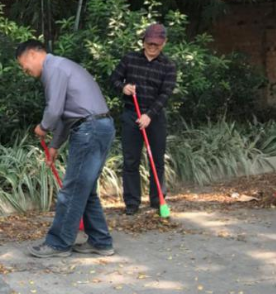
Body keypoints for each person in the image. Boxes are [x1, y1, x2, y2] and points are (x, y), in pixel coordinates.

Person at [16, 40, 115, 257]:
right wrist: (54, 146)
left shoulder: (54, 68)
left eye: (24, 64)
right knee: (85, 189)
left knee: (71, 189)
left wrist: (43, 127)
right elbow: (64, 114)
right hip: (101, 126)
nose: (25, 70)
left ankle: (58, 243)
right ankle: (101, 241)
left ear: (33, 54)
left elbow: (54, 110)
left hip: (90, 128)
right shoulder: (62, 67)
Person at [109, 23, 177, 215]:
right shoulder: (130, 59)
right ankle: (132, 202)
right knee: (131, 160)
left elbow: (166, 94)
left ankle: (157, 200)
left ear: (163, 43)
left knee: (157, 160)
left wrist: (149, 115)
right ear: (143, 41)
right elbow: (113, 78)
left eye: (156, 43)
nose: (152, 46)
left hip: (154, 116)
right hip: (131, 114)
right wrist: (123, 87)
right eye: (149, 43)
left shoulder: (169, 66)